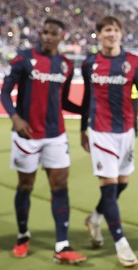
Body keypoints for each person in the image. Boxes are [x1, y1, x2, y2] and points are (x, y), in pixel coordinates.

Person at [0, 18, 87, 264]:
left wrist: (87, 110)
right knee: (25, 185)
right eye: (45, 32)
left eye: (53, 33)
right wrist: (15, 118)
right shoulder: (23, 58)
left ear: (62, 36)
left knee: (60, 185)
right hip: (26, 135)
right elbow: (4, 92)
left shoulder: (67, 65)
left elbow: (65, 101)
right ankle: (22, 236)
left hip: (56, 135)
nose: (47, 36)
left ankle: (62, 245)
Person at [80, 15, 138, 268]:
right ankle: (121, 244)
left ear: (121, 34)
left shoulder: (132, 62)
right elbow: (87, 98)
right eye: (106, 30)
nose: (111, 34)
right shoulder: (90, 63)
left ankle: (95, 217)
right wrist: (82, 129)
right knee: (109, 188)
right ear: (99, 35)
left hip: (126, 133)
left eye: (115, 30)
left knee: (121, 184)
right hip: (100, 132)